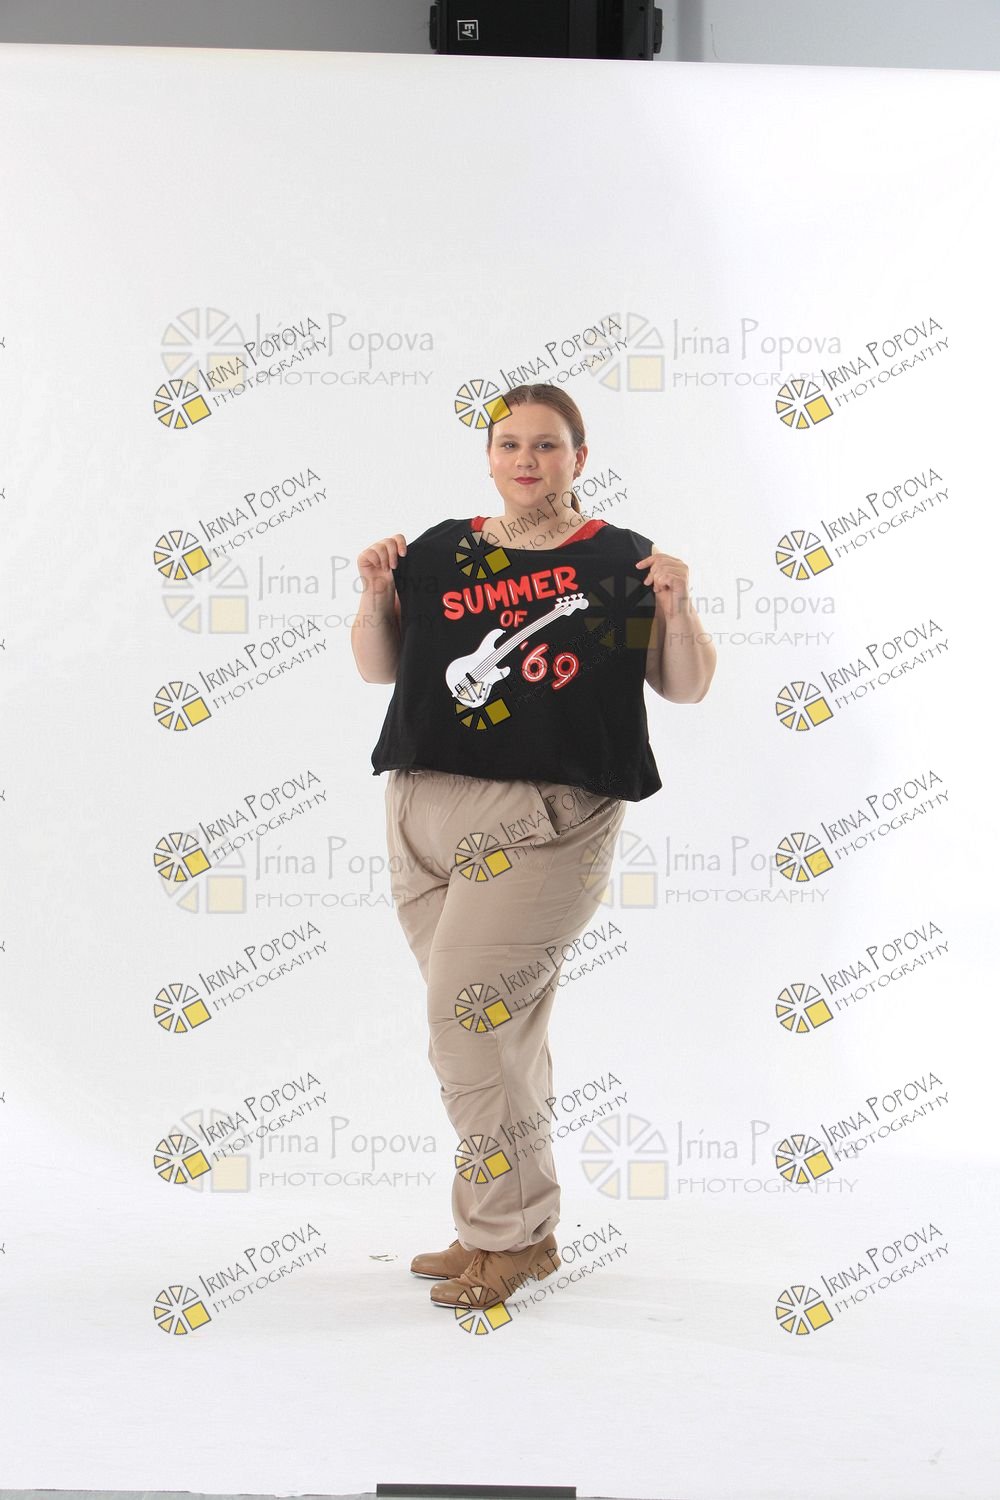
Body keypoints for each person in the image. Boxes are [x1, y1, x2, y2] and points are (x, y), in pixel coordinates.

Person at [351, 384, 717, 1312]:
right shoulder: (439, 550)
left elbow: (685, 687)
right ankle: (522, 1224)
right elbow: (378, 667)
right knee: (497, 1034)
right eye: (509, 443)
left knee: (466, 1025)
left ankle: (505, 1237)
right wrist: (375, 594)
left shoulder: (621, 560)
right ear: (488, 457)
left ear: (578, 458)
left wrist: (678, 606)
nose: (527, 459)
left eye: (547, 445)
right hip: (421, 799)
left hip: (545, 813)